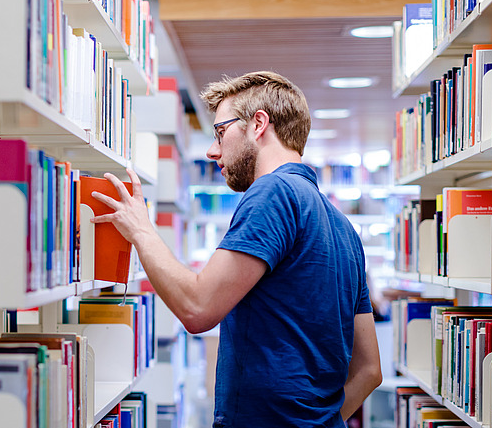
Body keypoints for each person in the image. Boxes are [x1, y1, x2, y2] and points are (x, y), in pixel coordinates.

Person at [91, 71, 382, 427]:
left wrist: (140, 229)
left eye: (220, 132)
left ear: (259, 124)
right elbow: (369, 370)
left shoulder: (273, 192)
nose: (213, 151)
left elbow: (197, 309)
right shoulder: (344, 227)